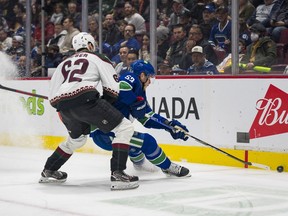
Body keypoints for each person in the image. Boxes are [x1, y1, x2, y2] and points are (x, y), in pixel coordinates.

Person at [39, 32, 139, 191]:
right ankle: (118, 173)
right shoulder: (98, 57)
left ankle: (49, 170)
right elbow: (112, 89)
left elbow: (53, 97)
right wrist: (103, 107)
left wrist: (67, 104)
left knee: (76, 140)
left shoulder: (63, 64)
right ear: (91, 45)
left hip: (63, 106)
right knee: (125, 128)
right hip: (86, 100)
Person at [90, 60, 191, 177]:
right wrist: (134, 102)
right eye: (149, 78)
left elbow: (147, 118)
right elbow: (122, 86)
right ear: (142, 75)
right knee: (148, 142)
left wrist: (168, 125)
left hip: (108, 132)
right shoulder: (131, 78)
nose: (149, 82)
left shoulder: (139, 92)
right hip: (105, 132)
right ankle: (167, 167)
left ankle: (140, 166)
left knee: (135, 146)